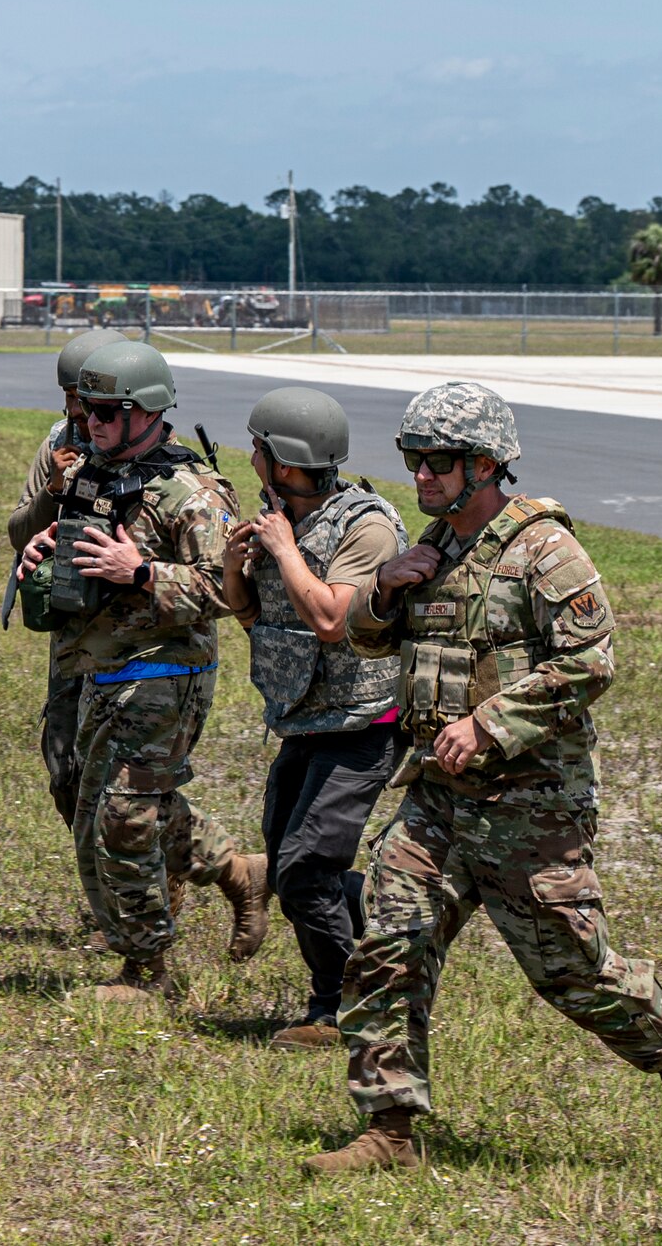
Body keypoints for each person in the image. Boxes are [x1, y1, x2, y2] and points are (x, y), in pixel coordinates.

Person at [304, 381, 662, 1174]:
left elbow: (591, 661)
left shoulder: (545, 550)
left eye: (440, 461)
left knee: (572, 973)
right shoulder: (431, 549)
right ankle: (390, 1130)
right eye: (414, 458)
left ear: (487, 464)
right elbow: (366, 641)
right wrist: (387, 589)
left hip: (527, 805)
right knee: (387, 946)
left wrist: (489, 724)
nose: (422, 475)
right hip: (437, 799)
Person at [16, 340, 270, 1006]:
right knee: (97, 809)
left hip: (163, 672)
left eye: (107, 411)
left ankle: (147, 969)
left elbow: (232, 591)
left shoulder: (194, 492)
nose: (91, 423)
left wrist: (142, 573)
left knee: (125, 816)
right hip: (92, 667)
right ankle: (238, 873)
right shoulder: (91, 473)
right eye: (87, 410)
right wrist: (46, 552)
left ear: (146, 411)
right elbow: (63, 544)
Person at [222, 388, 406, 1050]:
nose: (252, 458)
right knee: (288, 854)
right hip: (304, 720)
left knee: (302, 870)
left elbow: (332, 619)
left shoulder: (367, 525)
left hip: (363, 723)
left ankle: (340, 1010)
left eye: (260, 449)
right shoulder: (284, 518)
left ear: (284, 460)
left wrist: (283, 550)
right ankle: (373, 917)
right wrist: (234, 566)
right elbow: (251, 617)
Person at [9, 330, 119, 948]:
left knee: (123, 782)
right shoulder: (57, 445)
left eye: (95, 401)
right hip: (72, 630)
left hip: (134, 640)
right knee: (64, 768)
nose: (83, 415)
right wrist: (53, 490)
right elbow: (17, 530)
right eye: (74, 400)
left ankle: (132, 899)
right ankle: (112, 889)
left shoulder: (146, 444)